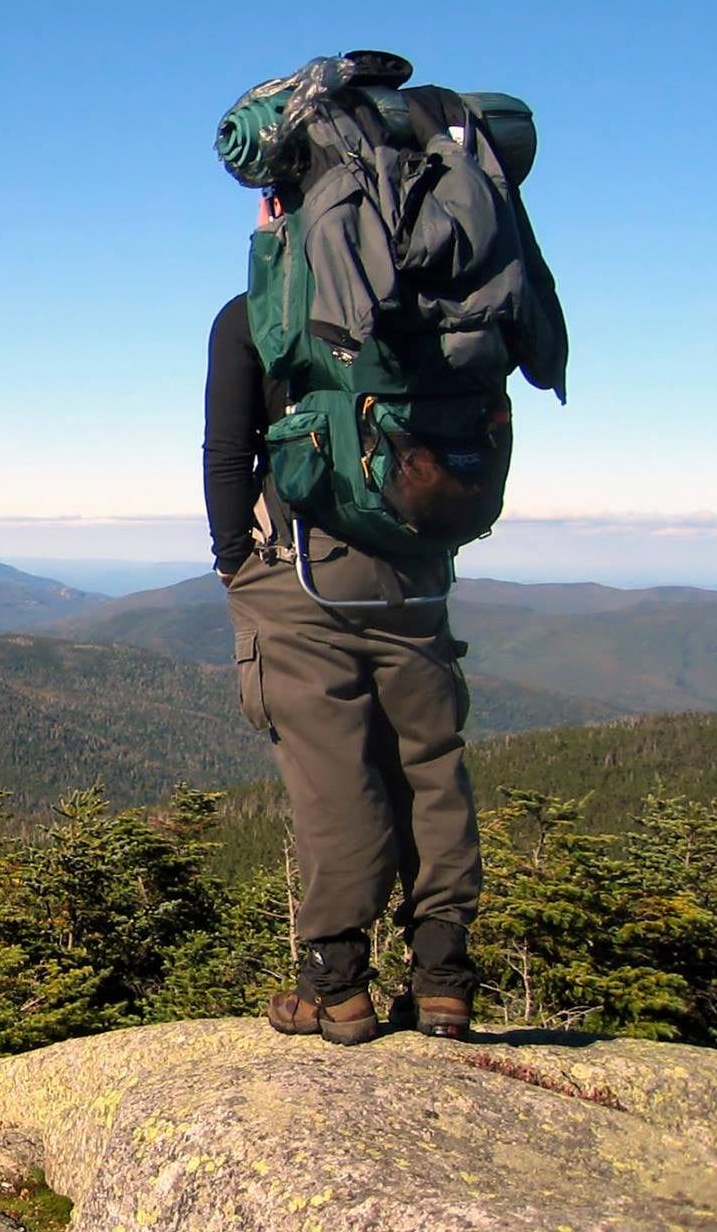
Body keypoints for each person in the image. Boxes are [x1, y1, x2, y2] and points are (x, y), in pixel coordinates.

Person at [203, 191, 481, 1044]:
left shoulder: (256, 313)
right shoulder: (432, 301)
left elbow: (227, 450)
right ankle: (442, 979)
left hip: (302, 572)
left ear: (284, 205)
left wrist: (235, 561)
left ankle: (335, 982)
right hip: (416, 570)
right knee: (431, 762)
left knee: (332, 772)